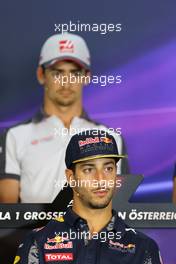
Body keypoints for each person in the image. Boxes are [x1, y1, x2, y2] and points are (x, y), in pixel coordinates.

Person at [0, 32, 129, 203]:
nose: (66, 82)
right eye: (58, 73)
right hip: (31, 230)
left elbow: (116, 208)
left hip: (92, 231)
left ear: (87, 76)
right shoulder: (15, 137)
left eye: (75, 73)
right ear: (41, 75)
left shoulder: (110, 137)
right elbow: (8, 216)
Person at [14, 130, 163, 263]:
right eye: (88, 169)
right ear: (71, 178)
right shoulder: (39, 241)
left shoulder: (143, 248)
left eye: (108, 168)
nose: (101, 179)